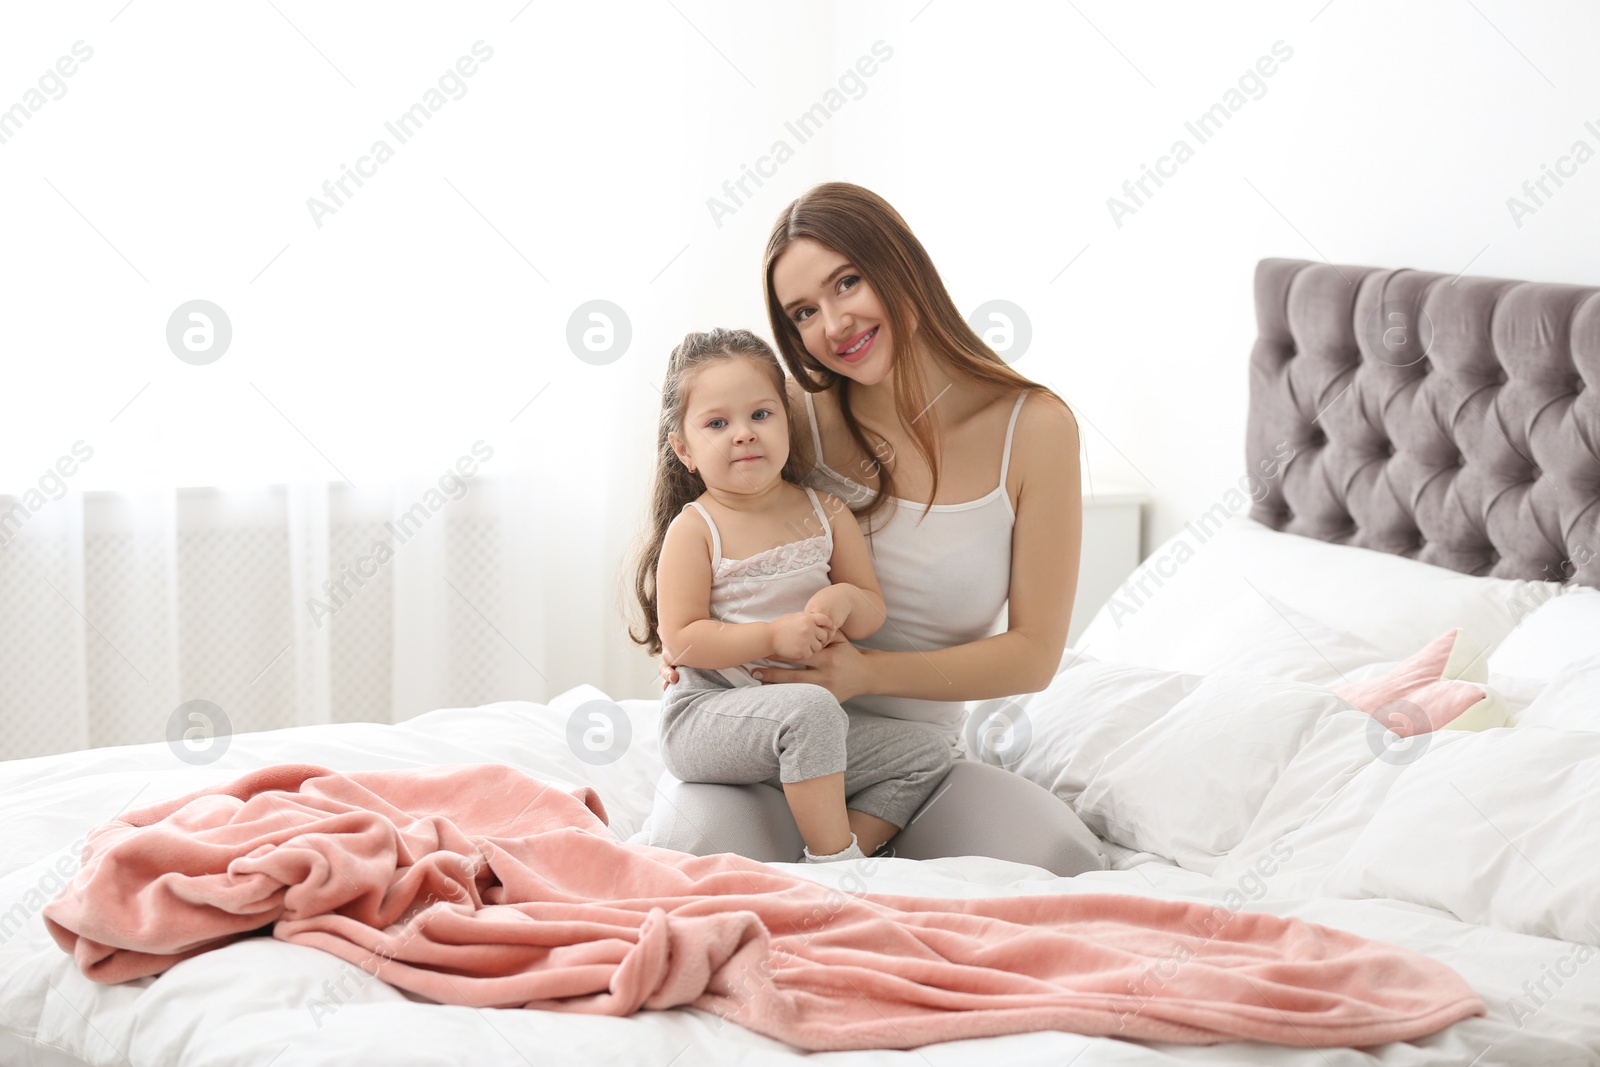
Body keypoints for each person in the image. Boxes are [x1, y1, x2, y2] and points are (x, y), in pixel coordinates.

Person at [643, 182, 1110, 878]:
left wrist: (862, 674)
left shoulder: (1036, 429)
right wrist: (688, 637)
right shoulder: (797, 415)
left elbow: (1035, 654)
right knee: (693, 869)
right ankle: (831, 863)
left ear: (900, 262)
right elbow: (710, 495)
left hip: (909, 760)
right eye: (804, 311)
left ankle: (850, 858)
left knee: (1064, 862)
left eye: (847, 282)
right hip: (766, 731)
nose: (833, 323)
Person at [627, 327, 955, 863]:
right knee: (812, 710)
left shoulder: (827, 514)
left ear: (787, 419)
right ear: (684, 450)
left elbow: (871, 609)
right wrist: (773, 634)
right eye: (717, 423)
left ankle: (839, 853)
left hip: (799, 722)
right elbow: (682, 640)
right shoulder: (696, 529)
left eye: (761, 415)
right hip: (706, 717)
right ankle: (836, 865)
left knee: (926, 753)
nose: (743, 434)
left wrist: (845, 601)